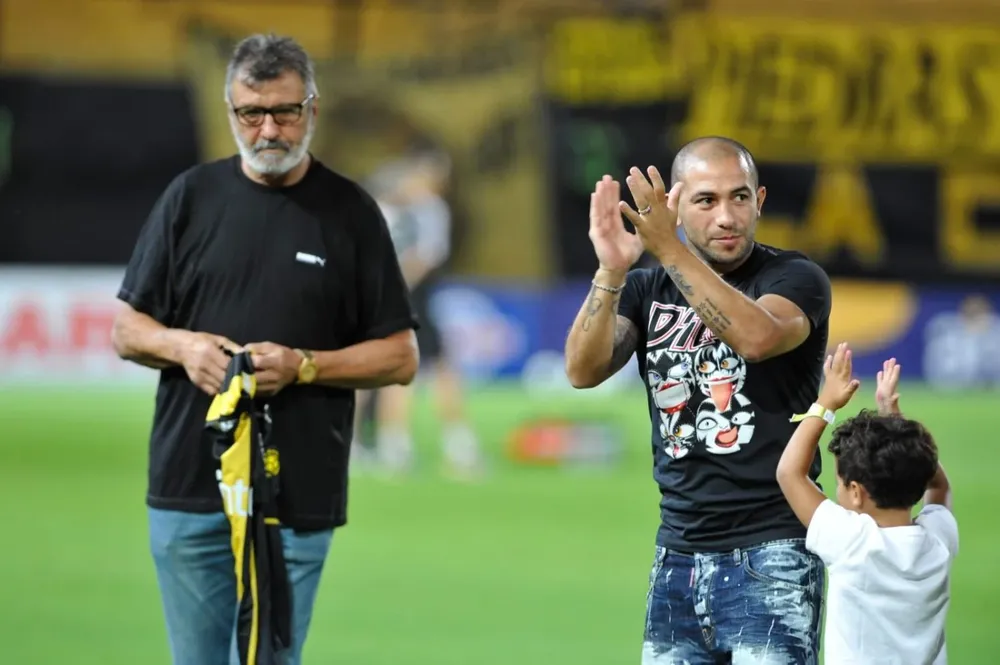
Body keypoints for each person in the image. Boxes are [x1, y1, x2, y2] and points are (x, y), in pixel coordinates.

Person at [110, 33, 419, 665]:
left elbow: (400, 355)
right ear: (231, 112)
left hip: (295, 497)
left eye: (285, 111)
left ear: (312, 108)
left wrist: (306, 365)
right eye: (252, 113)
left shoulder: (352, 213)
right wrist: (182, 346)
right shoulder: (189, 200)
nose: (269, 128)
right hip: (189, 489)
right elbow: (126, 329)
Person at [564, 136, 832, 663]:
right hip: (677, 557)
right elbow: (582, 369)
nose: (727, 216)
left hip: (773, 549)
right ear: (676, 209)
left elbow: (756, 339)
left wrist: (670, 248)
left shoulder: (794, 278)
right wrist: (613, 271)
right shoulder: (644, 291)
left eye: (739, 197)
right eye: (706, 201)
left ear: (760, 201)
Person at [777, 350, 958, 665]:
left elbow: (789, 473)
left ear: (856, 492)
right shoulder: (937, 542)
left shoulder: (853, 543)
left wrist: (827, 403)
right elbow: (939, 485)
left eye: (840, 483)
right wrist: (896, 426)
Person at [353, 150, 484, 479]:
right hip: (409, 300)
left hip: (382, 298)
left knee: (378, 370)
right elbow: (425, 257)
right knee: (422, 369)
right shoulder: (428, 210)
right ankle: (430, 445)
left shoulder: (384, 209)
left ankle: (377, 445)